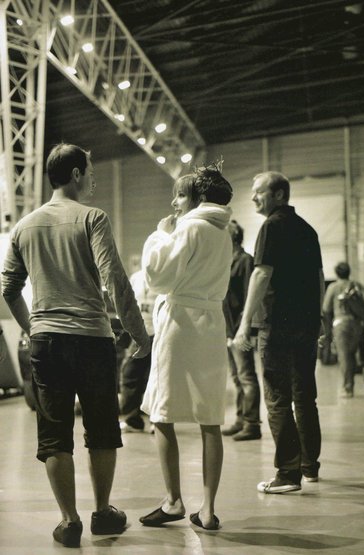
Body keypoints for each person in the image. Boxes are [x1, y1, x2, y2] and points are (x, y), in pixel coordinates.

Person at [1, 143, 150, 547]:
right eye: (91, 171)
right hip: (92, 340)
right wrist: (139, 334)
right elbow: (114, 278)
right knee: (101, 430)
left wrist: (33, 327)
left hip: (47, 342)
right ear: (76, 174)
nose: (93, 179)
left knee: (54, 435)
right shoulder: (92, 217)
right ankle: (102, 514)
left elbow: (9, 287)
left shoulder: (24, 226)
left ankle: (69, 522)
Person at [138, 163, 233, 531]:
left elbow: (159, 276)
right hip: (211, 325)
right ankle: (208, 510)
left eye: (180, 195)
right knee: (210, 419)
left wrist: (159, 236)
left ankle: (174, 500)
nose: (174, 202)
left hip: (181, 323)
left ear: (197, 198)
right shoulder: (223, 232)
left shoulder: (189, 227)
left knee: (162, 413)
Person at [234, 171, 324, 494]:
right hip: (306, 325)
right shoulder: (308, 230)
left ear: (279, 195)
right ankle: (309, 466)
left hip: (277, 325)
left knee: (277, 398)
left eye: (259, 192)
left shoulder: (271, 227)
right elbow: (319, 277)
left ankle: (287, 474)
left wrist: (245, 323)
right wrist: (319, 317)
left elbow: (261, 274)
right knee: (305, 396)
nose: (253, 197)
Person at [222, 220, 261, 441]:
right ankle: (241, 419)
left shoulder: (245, 261)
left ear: (233, 237)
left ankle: (252, 424)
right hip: (228, 330)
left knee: (246, 376)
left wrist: (242, 330)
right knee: (237, 377)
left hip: (238, 329)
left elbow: (249, 297)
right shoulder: (226, 262)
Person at [322, 261, 364, 398]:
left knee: (343, 356)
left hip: (341, 324)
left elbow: (326, 309)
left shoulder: (333, 287)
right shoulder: (357, 285)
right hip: (356, 325)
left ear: (337, 273)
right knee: (352, 354)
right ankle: (351, 385)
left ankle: (347, 388)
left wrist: (328, 328)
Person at [119, 254, 157, 432]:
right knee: (130, 375)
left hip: (159, 334)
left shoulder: (164, 279)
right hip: (138, 334)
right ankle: (132, 419)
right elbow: (126, 301)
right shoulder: (136, 278)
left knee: (156, 378)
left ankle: (157, 421)